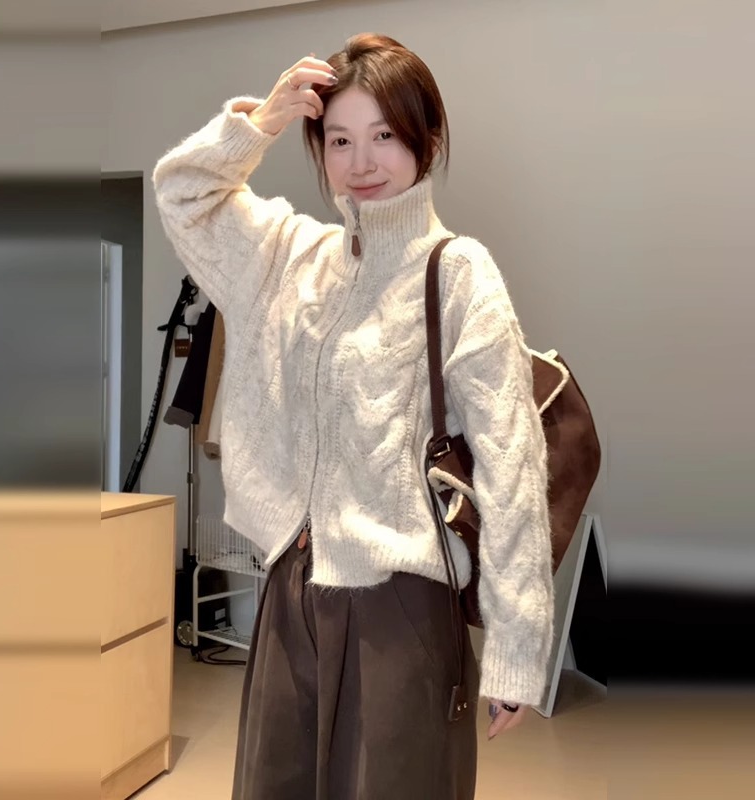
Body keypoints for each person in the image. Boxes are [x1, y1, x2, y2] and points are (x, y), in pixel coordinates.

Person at [153, 32, 554, 800]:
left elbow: (513, 466)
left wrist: (516, 646)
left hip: (399, 605)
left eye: (385, 136)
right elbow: (181, 193)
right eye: (339, 140)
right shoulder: (289, 255)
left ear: (426, 140)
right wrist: (259, 124)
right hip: (290, 591)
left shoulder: (458, 273)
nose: (361, 162)